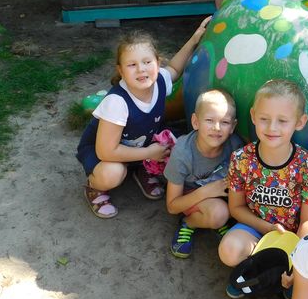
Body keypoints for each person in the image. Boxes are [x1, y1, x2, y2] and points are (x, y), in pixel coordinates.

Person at [75, 18, 210, 218]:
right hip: (103, 154)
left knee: (181, 145)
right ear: (120, 70)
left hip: (141, 146)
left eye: (147, 62)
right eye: (132, 65)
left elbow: (174, 69)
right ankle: (95, 188)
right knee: (113, 174)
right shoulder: (117, 102)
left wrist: (193, 40)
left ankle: (141, 169)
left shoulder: (160, 81)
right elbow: (106, 151)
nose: (141, 69)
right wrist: (148, 152)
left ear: (158, 63)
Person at [219, 79, 308, 298]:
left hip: (294, 236)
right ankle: (261, 269)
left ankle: (289, 273)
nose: (272, 128)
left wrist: (296, 255)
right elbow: (236, 208)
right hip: (256, 229)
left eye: (282, 121)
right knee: (229, 251)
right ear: (253, 116)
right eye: (264, 119)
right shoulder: (241, 159)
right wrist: (266, 228)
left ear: (300, 122)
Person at [163, 88, 243, 258]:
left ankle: (216, 219)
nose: (217, 128)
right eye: (209, 120)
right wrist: (207, 192)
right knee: (219, 215)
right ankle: (189, 223)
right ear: (195, 122)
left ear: (233, 126)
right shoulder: (183, 153)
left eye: (225, 122)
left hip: (219, 192)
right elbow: (172, 206)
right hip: (189, 195)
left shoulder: (235, 146)